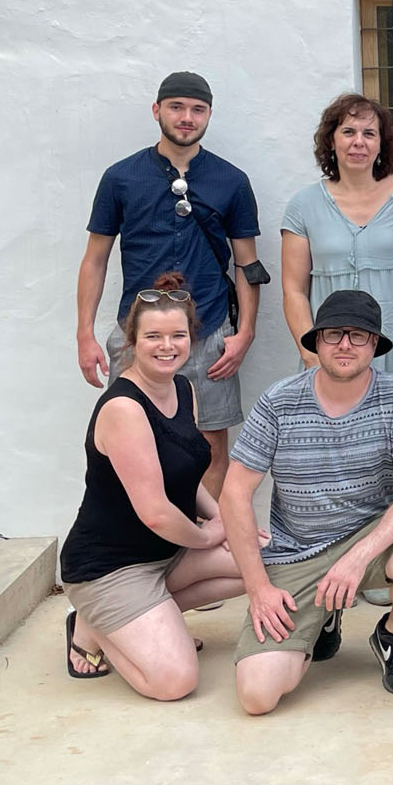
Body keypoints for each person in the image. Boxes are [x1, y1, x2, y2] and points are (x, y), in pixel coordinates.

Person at [218, 291, 393, 713]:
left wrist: (358, 557)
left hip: (373, 539)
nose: (345, 344)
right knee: (257, 695)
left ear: (374, 344)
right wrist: (259, 589)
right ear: (317, 341)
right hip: (299, 552)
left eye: (358, 335)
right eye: (333, 334)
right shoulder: (278, 402)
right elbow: (234, 493)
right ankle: (323, 616)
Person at [77, 71, 266, 498]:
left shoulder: (231, 181)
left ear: (209, 115)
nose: (186, 117)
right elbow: (95, 259)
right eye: (177, 107)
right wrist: (84, 334)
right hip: (136, 331)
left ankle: (201, 534)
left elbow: (248, 264)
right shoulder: (120, 177)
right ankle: (142, 533)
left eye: (197, 109)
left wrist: (245, 333)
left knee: (210, 446)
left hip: (209, 328)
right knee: (130, 441)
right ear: (157, 110)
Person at [59, 273, 247, 697]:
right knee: (175, 681)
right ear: (132, 341)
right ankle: (92, 627)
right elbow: (156, 513)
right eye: (153, 336)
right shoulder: (124, 408)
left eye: (178, 335)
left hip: (167, 556)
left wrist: (229, 523)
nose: (167, 346)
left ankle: (145, 620)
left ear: (191, 338)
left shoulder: (183, 387)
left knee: (261, 557)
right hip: (109, 568)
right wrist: (208, 536)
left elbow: (186, 476)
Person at [281, 92, 393, 406]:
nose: (358, 142)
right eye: (348, 132)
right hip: (332, 349)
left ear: (381, 143)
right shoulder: (303, 205)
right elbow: (294, 290)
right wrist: (310, 354)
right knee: (332, 431)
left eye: (369, 134)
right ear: (331, 140)